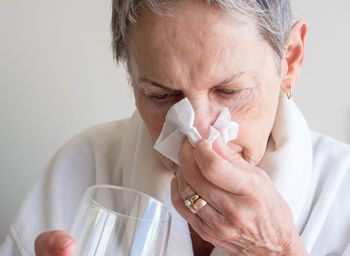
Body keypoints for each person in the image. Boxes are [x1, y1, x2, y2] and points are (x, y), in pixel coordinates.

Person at [1, 0, 350, 255]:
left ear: (290, 59)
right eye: (162, 95)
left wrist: (281, 250)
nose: (196, 132)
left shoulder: (342, 192)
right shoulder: (83, 166)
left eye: (229, 91)